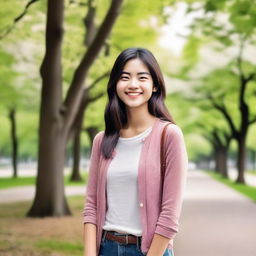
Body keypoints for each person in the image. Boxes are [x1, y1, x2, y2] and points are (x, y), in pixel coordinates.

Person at [83, 47, 188, 256]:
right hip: (107, 248)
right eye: (125, 77)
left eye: (142, 78)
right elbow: (91, 206)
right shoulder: (101, 140)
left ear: (155, 85)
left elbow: (169, 215)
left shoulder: (169, 136)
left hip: (150, 250)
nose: (133, 85)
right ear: (115, 85)